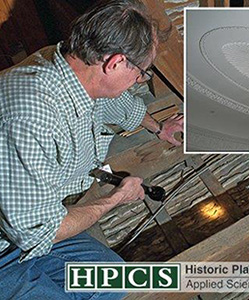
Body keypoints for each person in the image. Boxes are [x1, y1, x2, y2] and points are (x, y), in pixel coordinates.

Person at [0, 0, 183, 299]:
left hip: (30, 223)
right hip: (12, 242)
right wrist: (114, 199)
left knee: (116, 282)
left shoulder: (69, 66)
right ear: (116, 62)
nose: (139, 80)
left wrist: (159, 127)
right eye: (141, 73)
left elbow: (114, 101)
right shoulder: (29, 120)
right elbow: (38, 232)